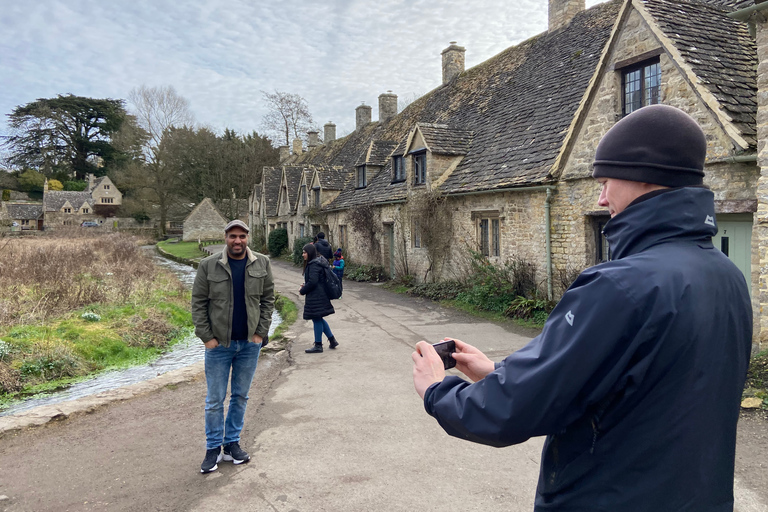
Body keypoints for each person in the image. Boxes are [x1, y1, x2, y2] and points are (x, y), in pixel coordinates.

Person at [411, 104, 753, 510]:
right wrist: (497, 371)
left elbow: (510, 412)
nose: (602, 195)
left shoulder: (620, 285)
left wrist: (437, 389)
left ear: (645, 177)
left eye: (607, 180)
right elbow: (633, 385)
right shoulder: (727, 275)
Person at [191, 219, 275, 474]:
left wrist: (261, 333)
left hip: (249, 345)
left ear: (247, 238)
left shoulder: (262, 263)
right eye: (232, 236)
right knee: (215, 400)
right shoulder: (208, 265)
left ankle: (232, 444)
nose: (237, 241)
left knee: (240, 396)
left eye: (242, 236)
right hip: (219, 346)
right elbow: (198, 303)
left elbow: (268, 299)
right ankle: (213, 448)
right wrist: (207, 337)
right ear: (226, 237)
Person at [300, 242, 339, 353]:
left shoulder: (313, 265)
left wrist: (303, 290)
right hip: (320, 294)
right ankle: (332, 340)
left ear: (310, 253)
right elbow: (314, 280)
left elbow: (313, 282)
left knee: (316, 318)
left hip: (316, 296)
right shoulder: (318, 262)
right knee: (319, 318)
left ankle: (318, 345)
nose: (303, 255)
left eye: (304, 252)